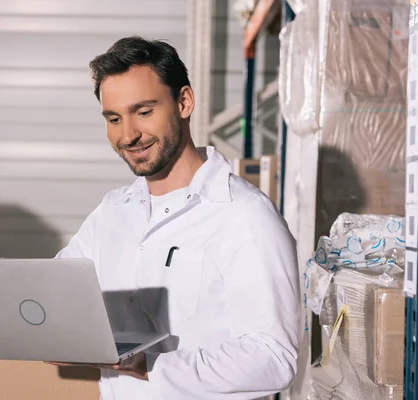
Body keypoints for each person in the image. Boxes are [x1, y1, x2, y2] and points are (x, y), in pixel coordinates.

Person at [52, 36, 300, 400]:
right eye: (114, 118)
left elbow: (275, 358)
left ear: (184, 102)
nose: (128, 134)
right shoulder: (112, 212)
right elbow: (59, 292)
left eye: (144, 112)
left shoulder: (244, 216)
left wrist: (151, 365)